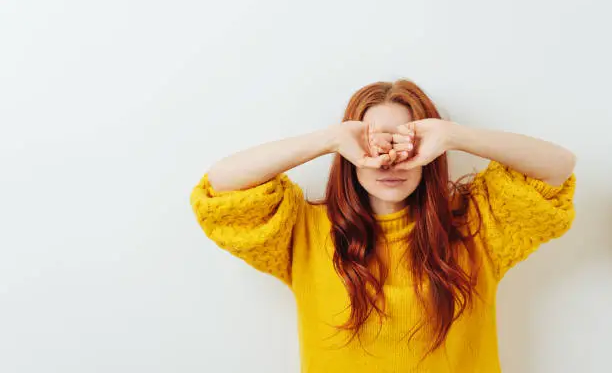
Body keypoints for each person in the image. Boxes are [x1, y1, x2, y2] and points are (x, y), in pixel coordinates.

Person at [189, 79, 576, 372]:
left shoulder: (477, 224)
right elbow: (222, 186)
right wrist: (330, 139)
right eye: (373, 144)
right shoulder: (303, 230)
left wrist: (454, 135)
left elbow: (557, 167)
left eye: (405, 143)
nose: (388, 160)